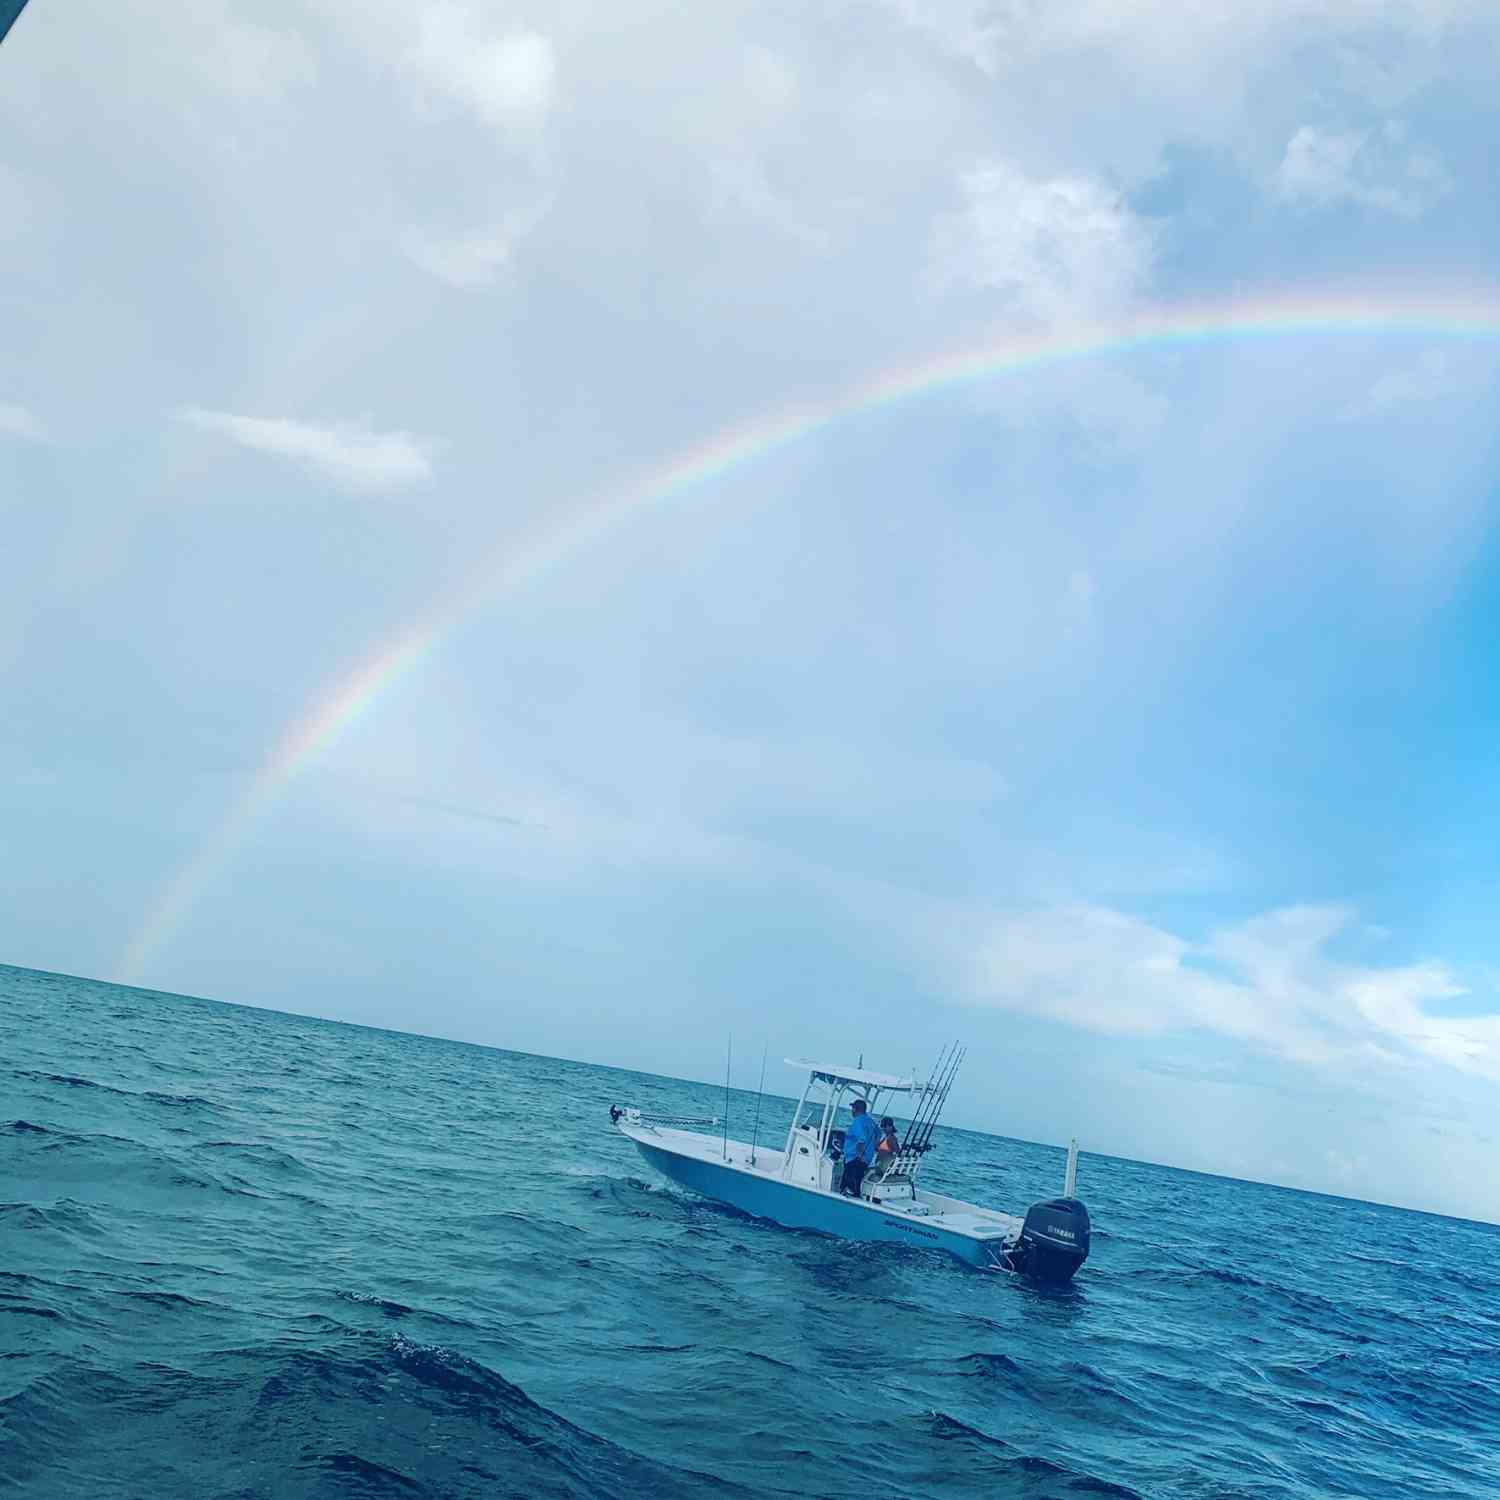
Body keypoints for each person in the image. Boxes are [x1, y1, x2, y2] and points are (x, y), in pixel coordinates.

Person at [840, 1097, 880, 1197]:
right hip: (866, 1159)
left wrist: (860, 1155)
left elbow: (861, 1139)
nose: (851, 1110)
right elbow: (878, 1134)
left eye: (852, 1108)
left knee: (848, 1187)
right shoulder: (870, 1121)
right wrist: (871, 1148)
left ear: (855, 1109)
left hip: (855, 1159)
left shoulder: (858, 1121)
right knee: (856, 1184)